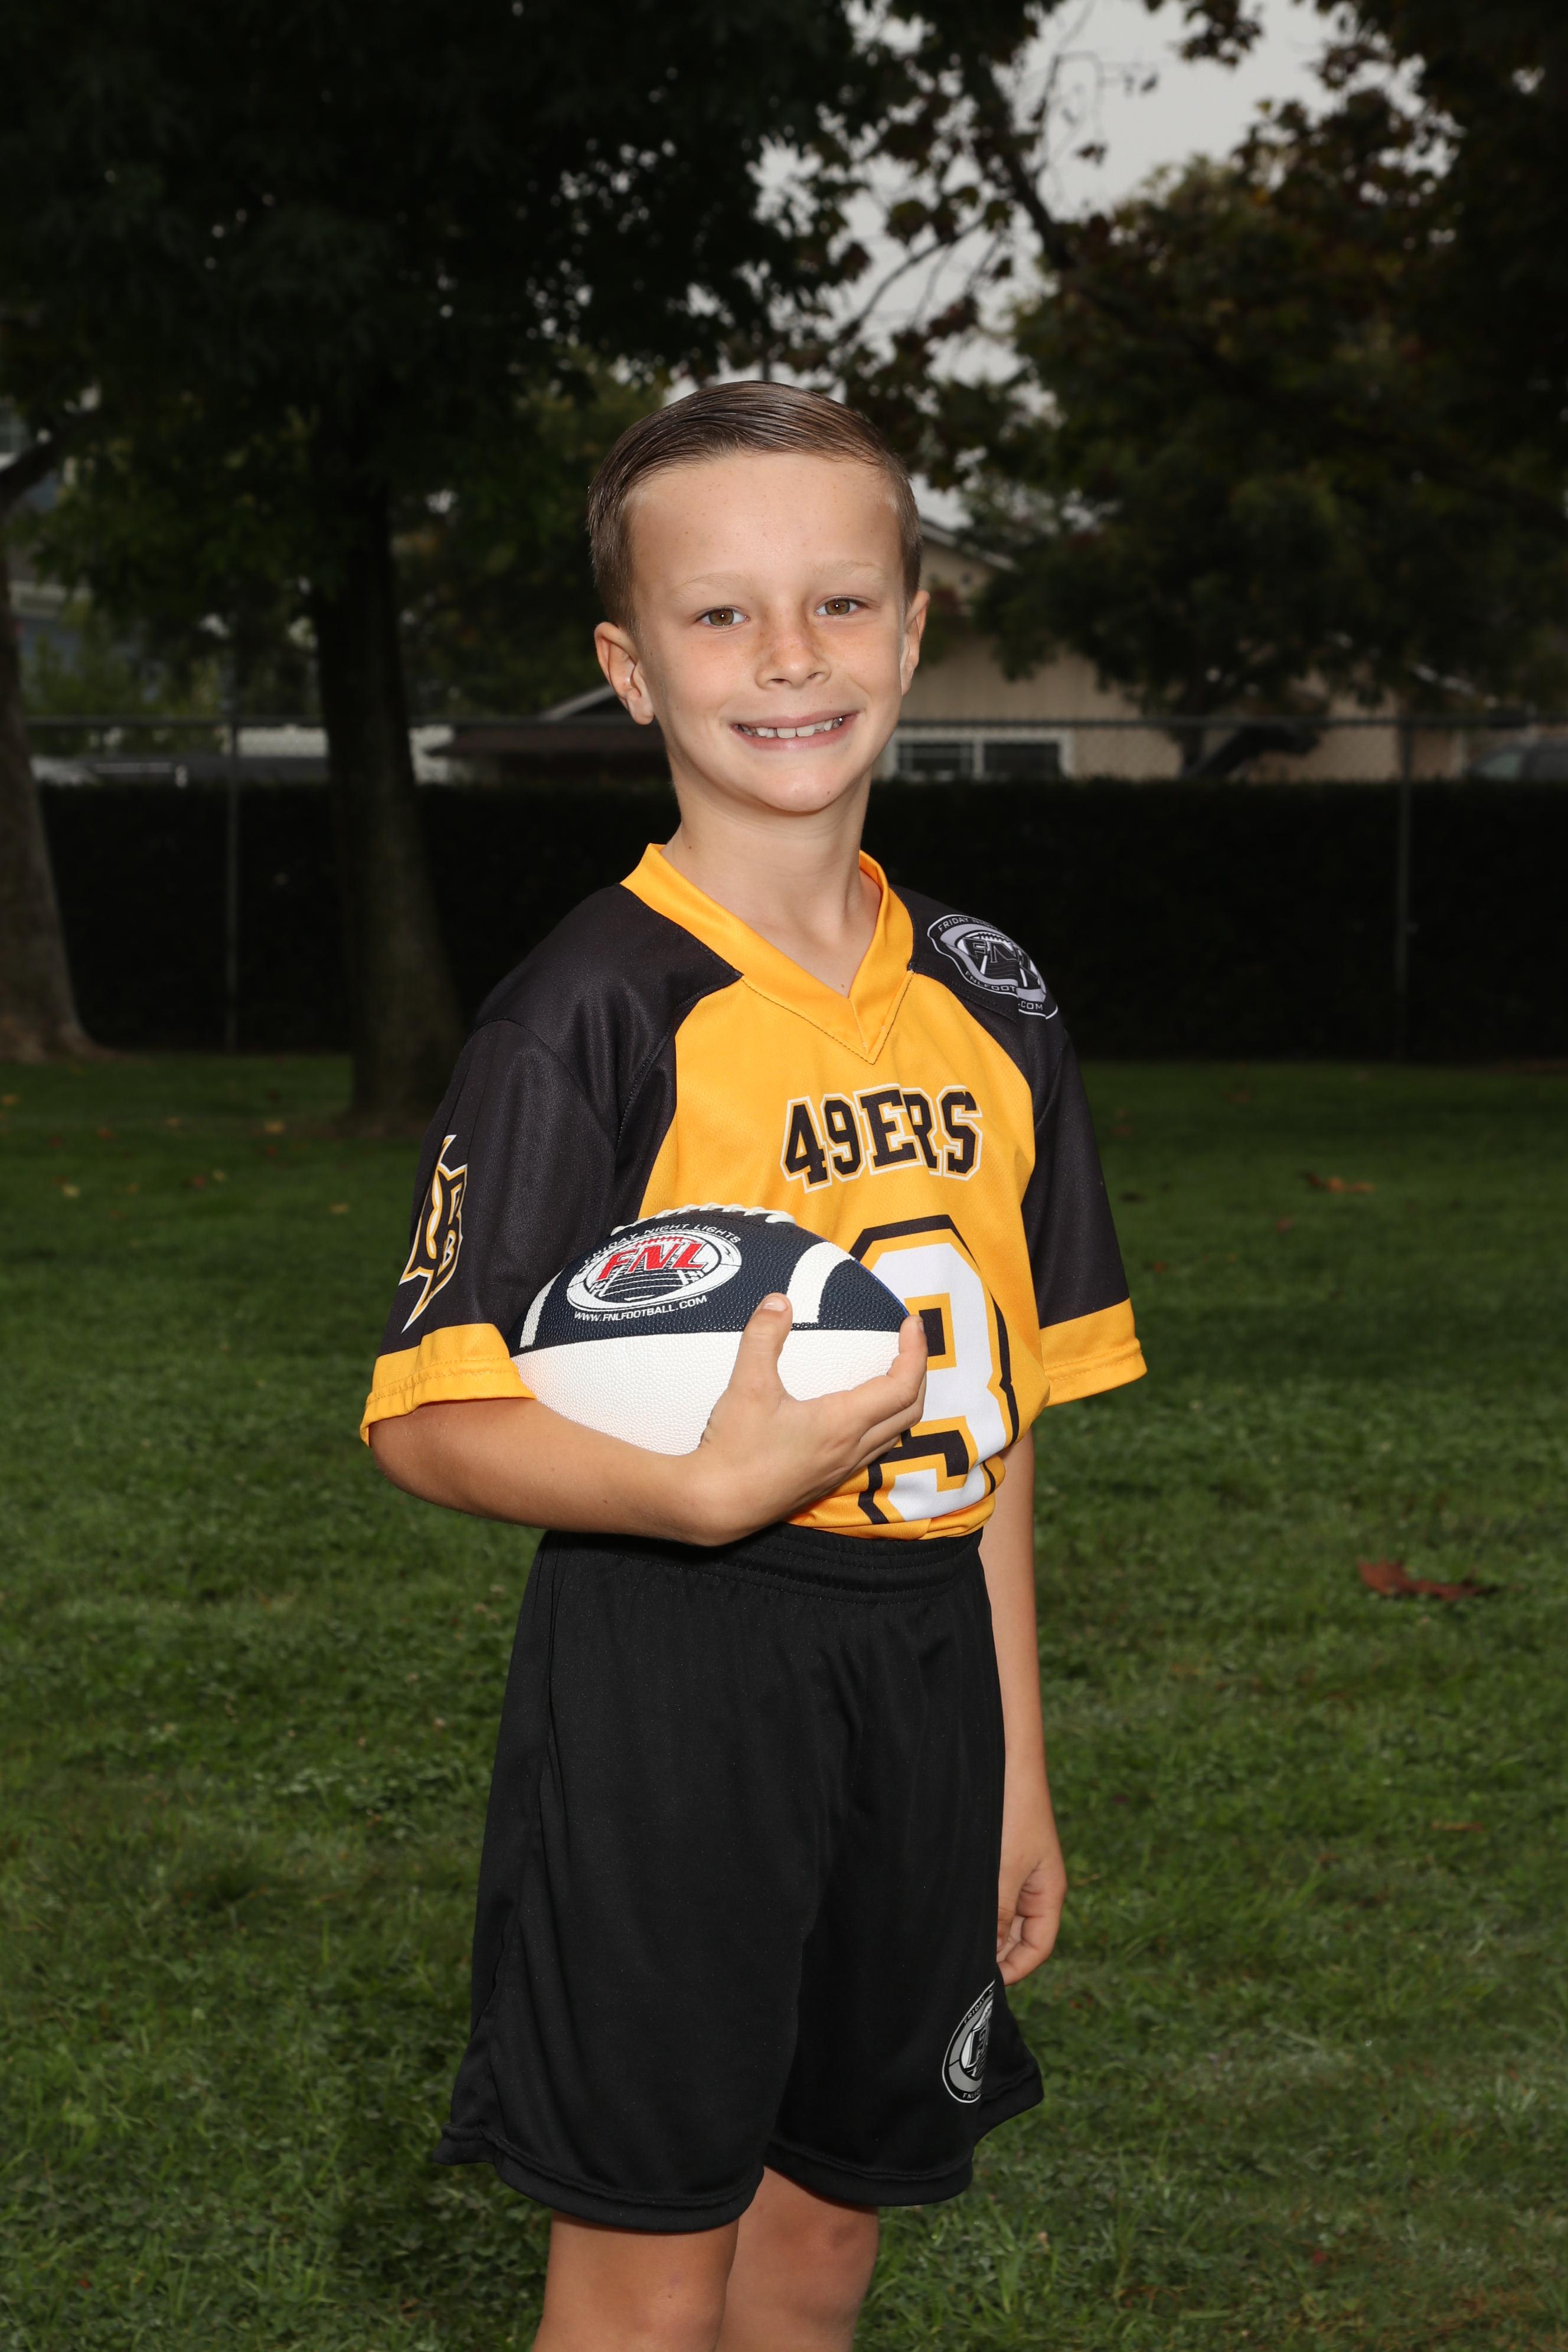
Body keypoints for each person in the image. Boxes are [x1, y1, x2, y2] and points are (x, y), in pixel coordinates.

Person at [363, 381, 1145, 2351]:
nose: (789, 657)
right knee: (649, 2267)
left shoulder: (993, 997)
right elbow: (430, 1416)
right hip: (679, 1671)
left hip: (926, 1665)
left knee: (825, 2243)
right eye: (721, 615)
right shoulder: (587, 1015)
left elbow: (1000, 1419)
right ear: (632, 667)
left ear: (913, 628)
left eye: (839, 602)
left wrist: (1014, 1765)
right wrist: (696, 1483)